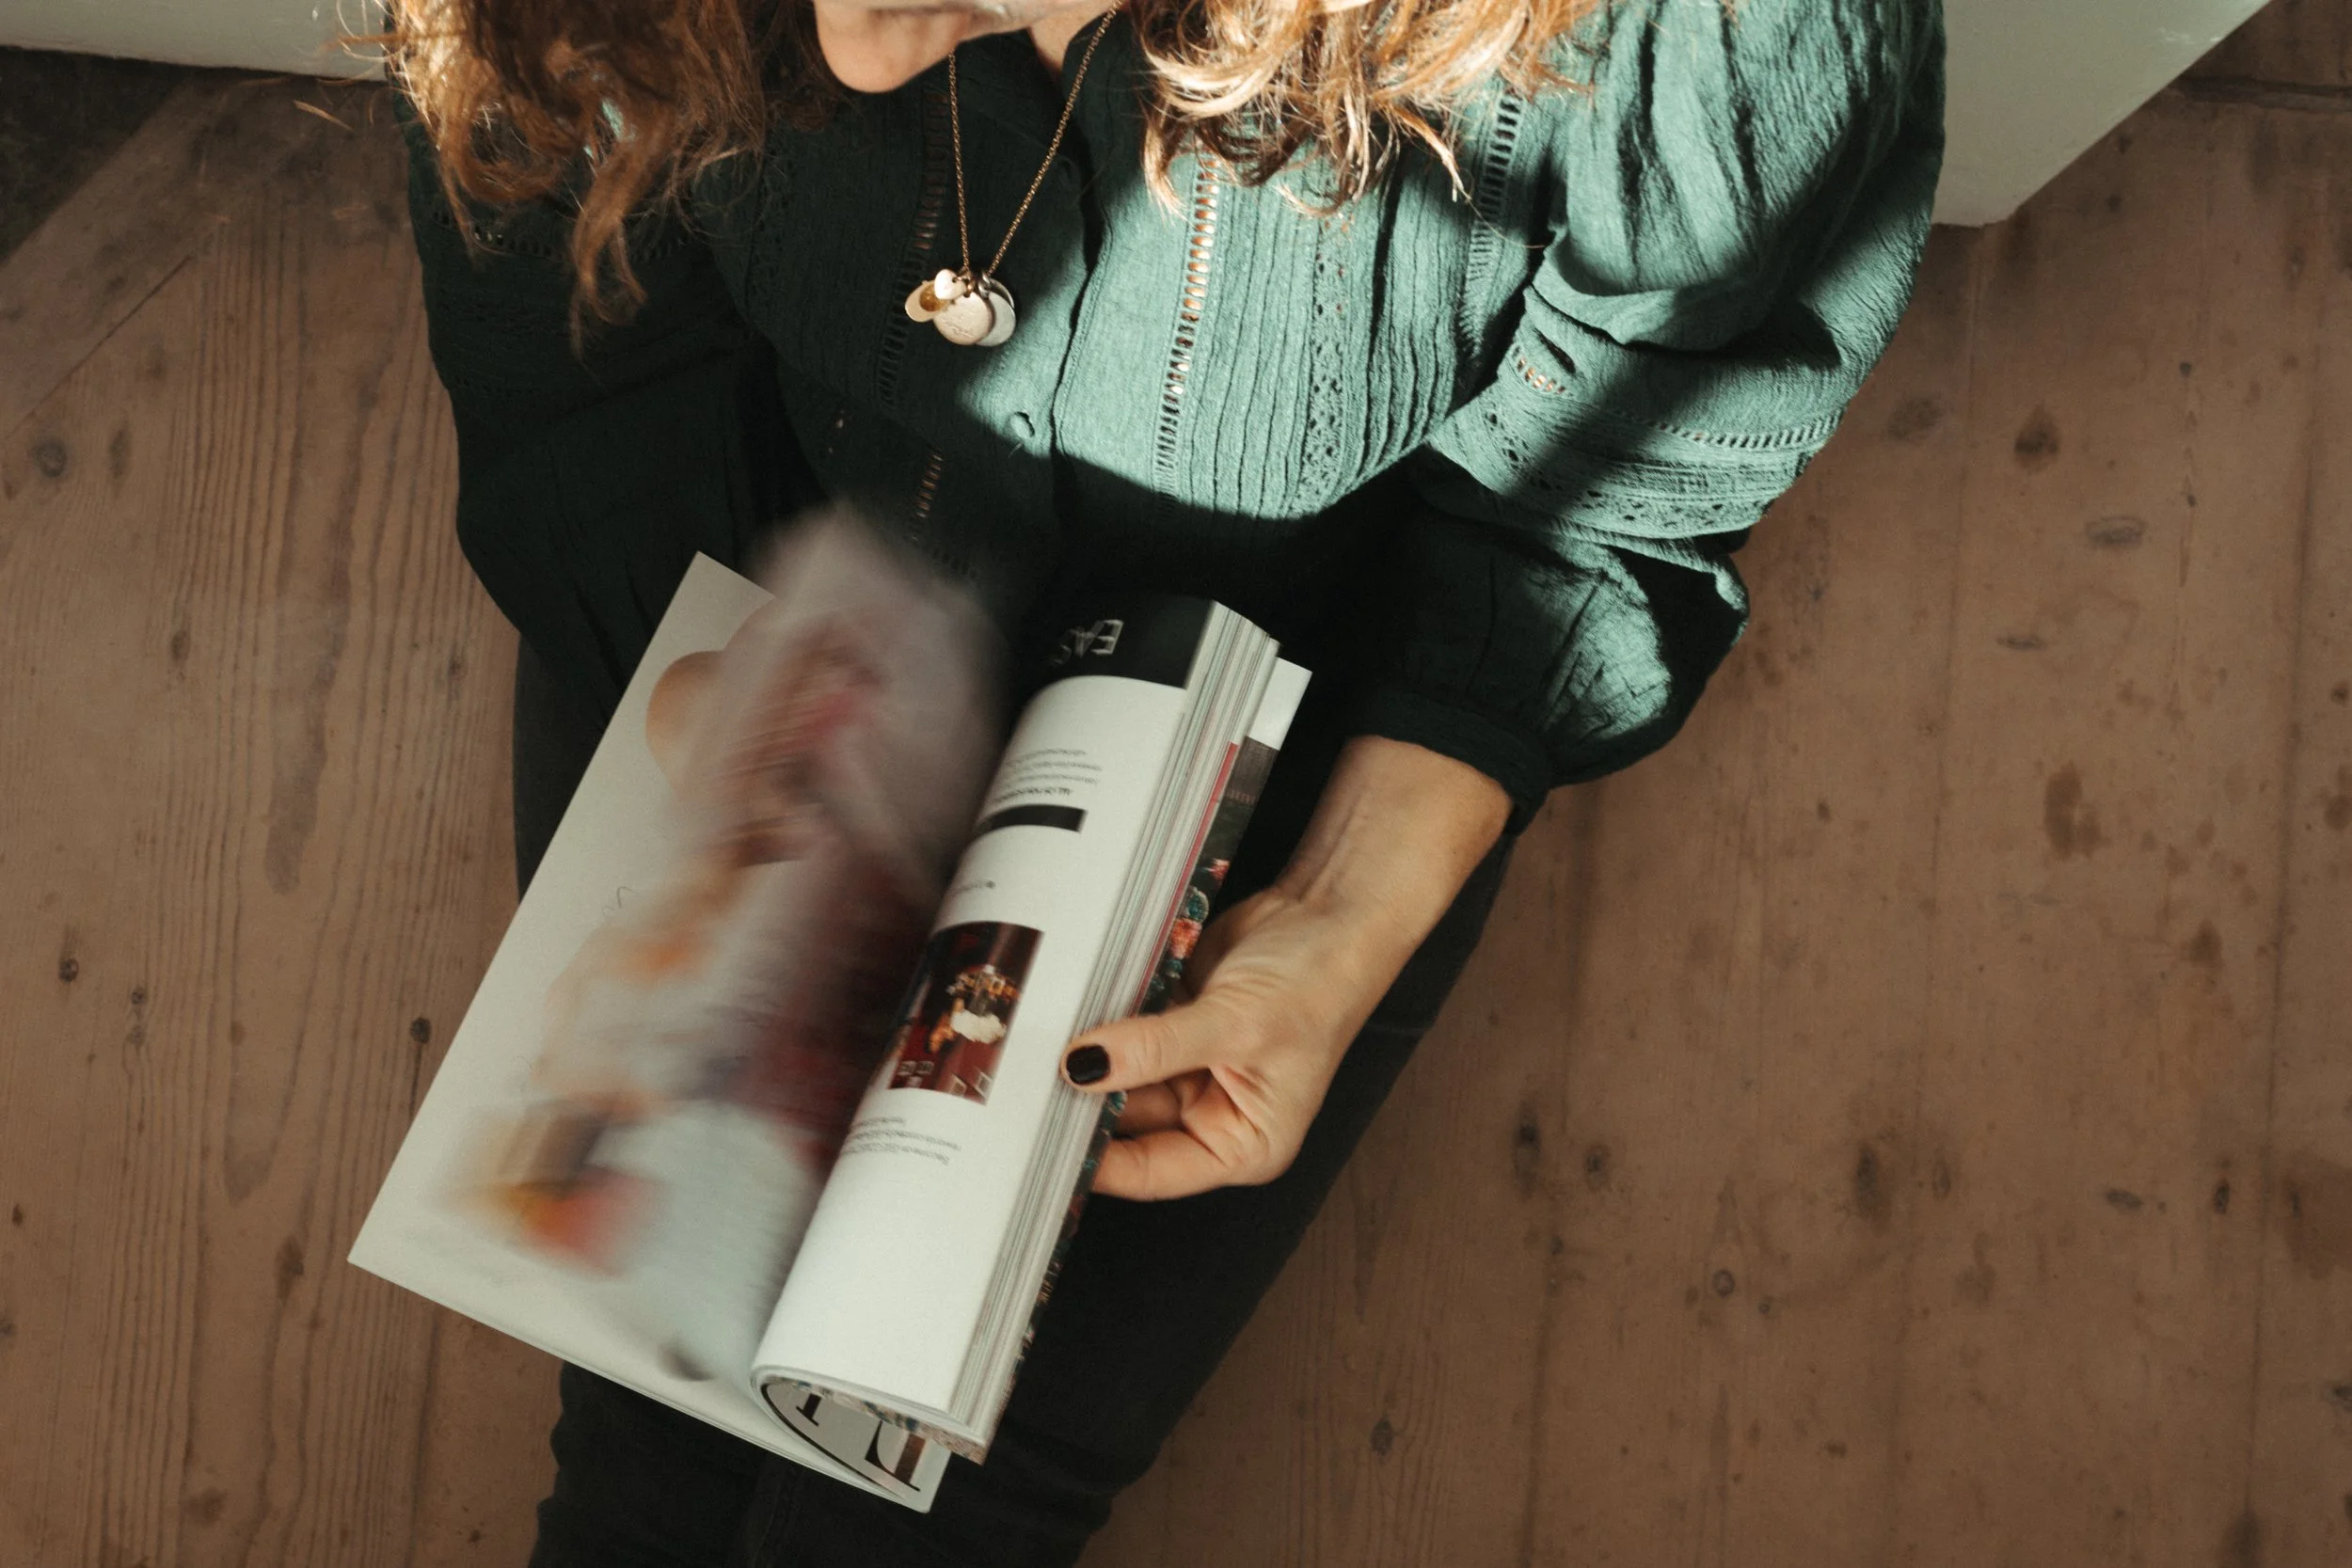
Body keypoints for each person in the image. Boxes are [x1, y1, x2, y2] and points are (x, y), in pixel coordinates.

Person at [389, 0, 1945, 1560]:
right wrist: (710, 683)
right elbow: (546, 240)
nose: (849, 54)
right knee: (647, 1428)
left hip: (1306, 708)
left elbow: (1622, 468)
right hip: (763, 564)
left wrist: (1339, 910)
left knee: (929, 1496)